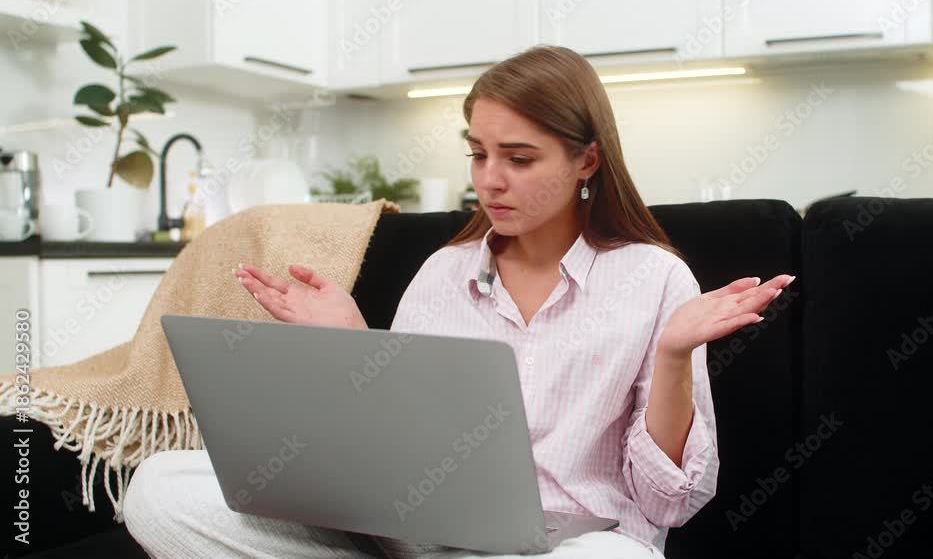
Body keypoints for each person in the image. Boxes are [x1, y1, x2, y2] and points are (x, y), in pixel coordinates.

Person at [122, 45, 793, 558]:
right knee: (160, 488)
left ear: (587, 161)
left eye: (519, 159)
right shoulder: (443, 274)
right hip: (423, 540)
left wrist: (672, 355)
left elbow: (668, 504)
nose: (489, 181)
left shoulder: (654, 278)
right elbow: (391, 456)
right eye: (478, 154)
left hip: (570, 546)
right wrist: (354, 345)